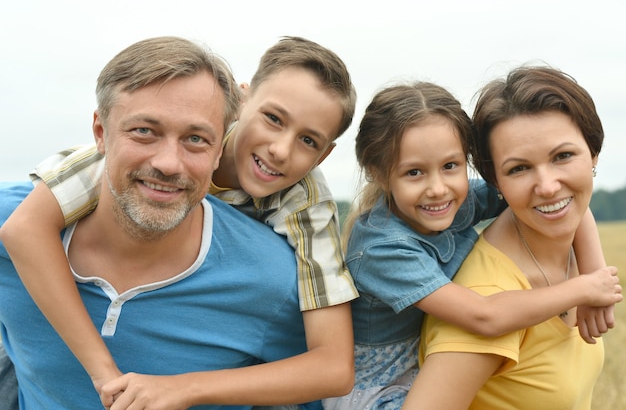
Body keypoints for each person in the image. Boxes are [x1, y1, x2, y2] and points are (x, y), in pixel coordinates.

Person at [0, 36, 354, 410]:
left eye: (309, 141)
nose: (281, 149)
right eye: (273, 118)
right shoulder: (90, 168)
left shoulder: (303, 214)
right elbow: (22, 228)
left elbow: (332, 366)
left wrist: (185, 388)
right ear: (243, 101)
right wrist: (105, 375)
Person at [324, 81, 621, 410]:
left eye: (450, 166)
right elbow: (485, 315)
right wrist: (585, 288)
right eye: (414, 172)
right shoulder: (383, 248)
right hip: (375, 388)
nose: (438, 188)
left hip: (420, 365)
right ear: (378, 173)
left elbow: (561, 201)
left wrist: (595, 272)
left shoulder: (456, 198)